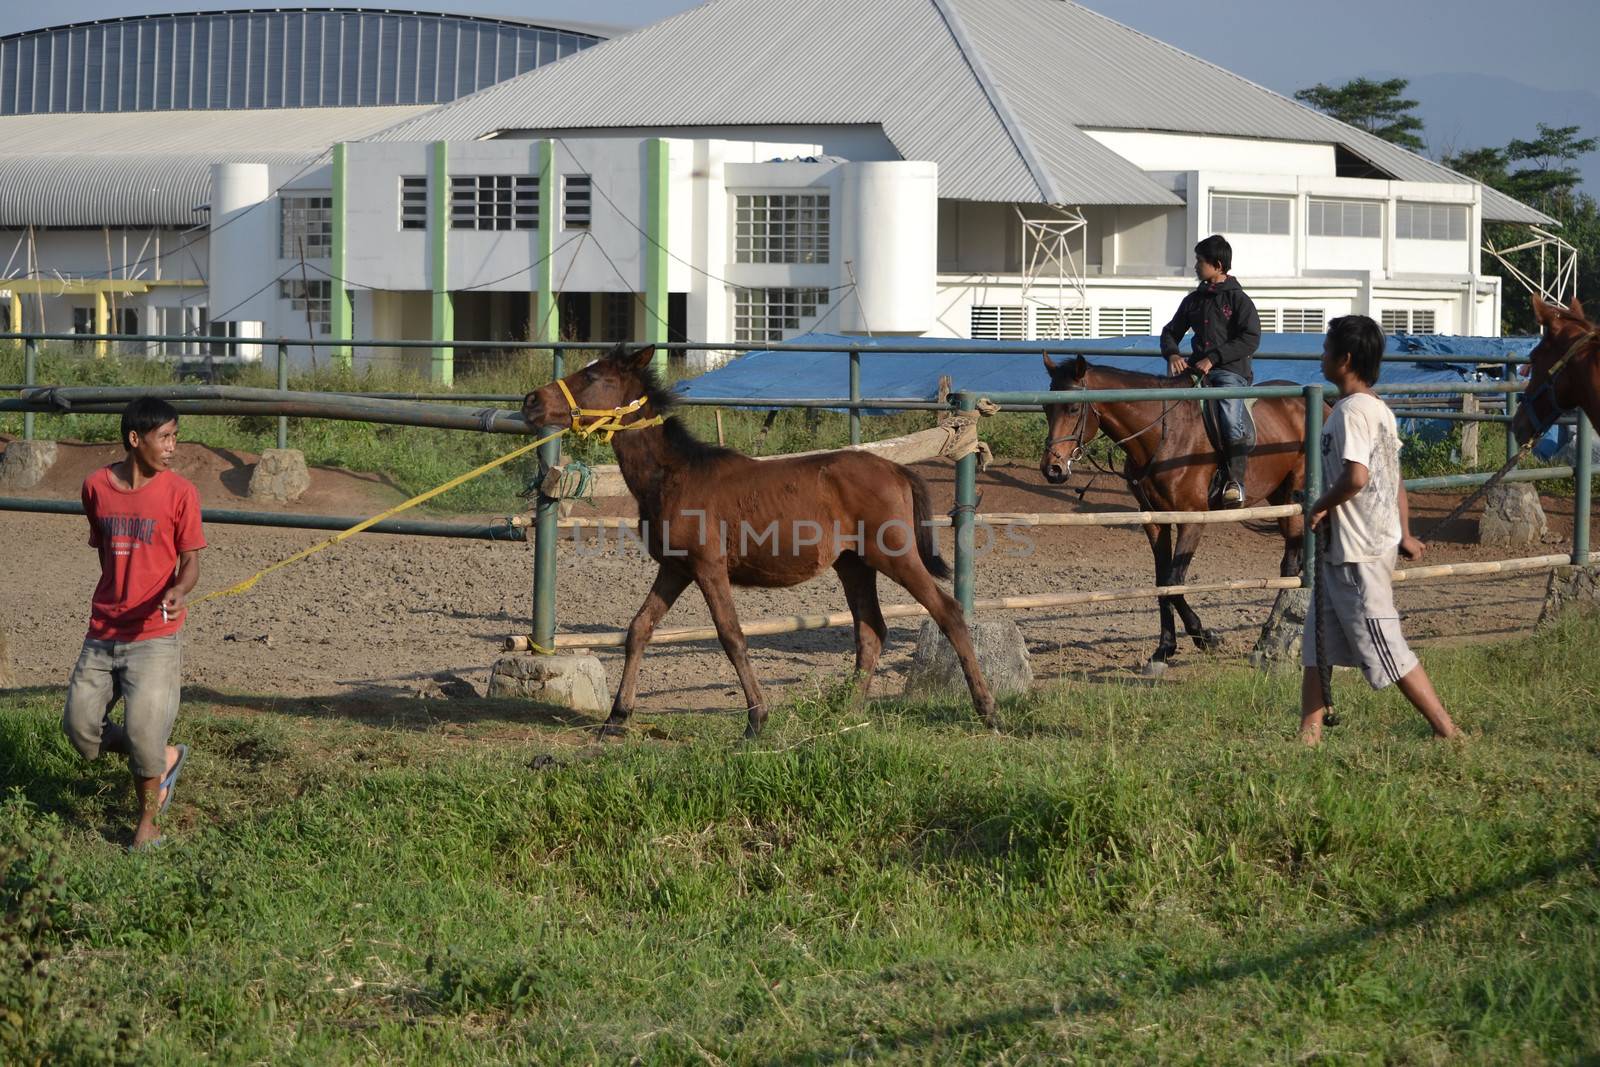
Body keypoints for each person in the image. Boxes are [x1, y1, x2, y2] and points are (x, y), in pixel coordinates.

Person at [1300, 315, 1461, 746]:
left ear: (1344, 359)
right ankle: (1307, 735)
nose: (1321, 357)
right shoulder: (1378, 408)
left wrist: (1319, 506)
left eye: (1326, 349)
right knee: (1318, 646)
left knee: (1385, 643)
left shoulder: (1352, 412)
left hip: (1359, 551)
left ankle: (1447, 731)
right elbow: (1396, 479)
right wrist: (1405, 534)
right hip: (1353, 547)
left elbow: (1358, 476)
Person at [63, 397, 205, 850]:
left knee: (144, 732)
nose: (172, 447)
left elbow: (191, 562)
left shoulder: (181, 492)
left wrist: (179, 591)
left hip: (155, 637)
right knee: (80, 730)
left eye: (175, 437)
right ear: (134, 439)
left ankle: (148, 824)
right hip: (102, 632)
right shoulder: (95, 488)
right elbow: (104, 549)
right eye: (164, 438)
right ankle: (160, 758)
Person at [1160, 234, 1262, 506]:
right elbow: (1170, 331)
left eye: (1199, 261)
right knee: (1169, 407)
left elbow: (1250, 338)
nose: (1195, 265)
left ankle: (1234, 482)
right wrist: (1172, 353)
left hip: (1230, 372)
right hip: (1198, 371)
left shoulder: (1239, 300)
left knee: (1230, 418)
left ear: (1217, 265)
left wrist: (1214, 358)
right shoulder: (1193, 300)